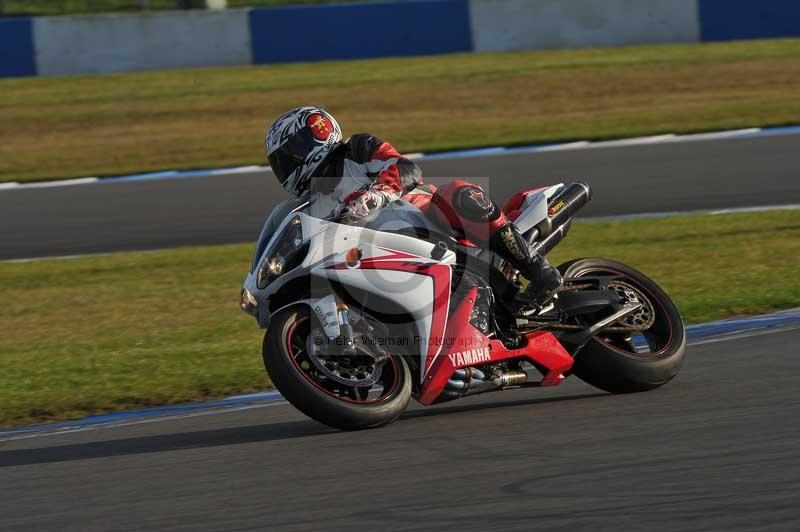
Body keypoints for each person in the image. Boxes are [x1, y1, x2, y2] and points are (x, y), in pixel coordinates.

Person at [264, 106, 561, 305]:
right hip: (378, 261)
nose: (284, 169)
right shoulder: (308, 206)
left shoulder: (356, 150)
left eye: (286, 158)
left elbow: (405, 167)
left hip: (426, 225)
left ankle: (536, 269)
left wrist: (378, 193)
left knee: (457, 192)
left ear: (311, 141)